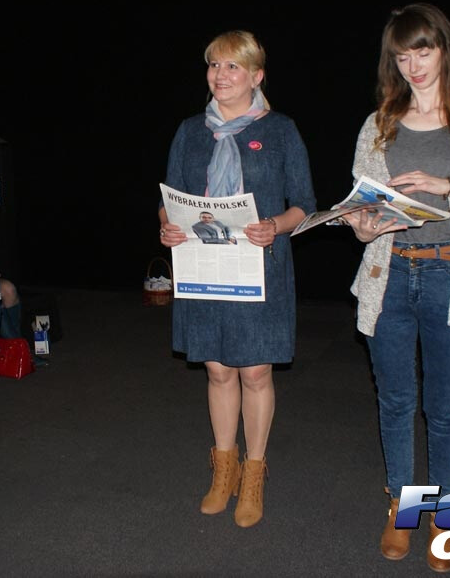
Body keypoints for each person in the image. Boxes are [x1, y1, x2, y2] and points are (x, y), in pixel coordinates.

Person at [341, 4, 450, 571]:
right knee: (394, 401)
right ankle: (401, 504)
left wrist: (447, 186)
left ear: (445, 50)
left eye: (423, 51)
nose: (412, 65)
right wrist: (364, 225)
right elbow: (361, 211)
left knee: (443, 407)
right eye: (401, 56)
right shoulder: (379, 124)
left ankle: (443, 512)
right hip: (388, 274)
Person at [158, 30, 315, 528]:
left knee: (255, 373)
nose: (220, 75)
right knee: (218, 370)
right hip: (204, 268)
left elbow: (304, 204)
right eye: (214, 65)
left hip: (260, 268)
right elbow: (169, 198)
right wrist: (167, 226)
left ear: (256, 76)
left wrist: (276, 225)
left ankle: (253, 473)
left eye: (232, 67)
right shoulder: (190, 131)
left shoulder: (281, 130)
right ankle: (223, 469)